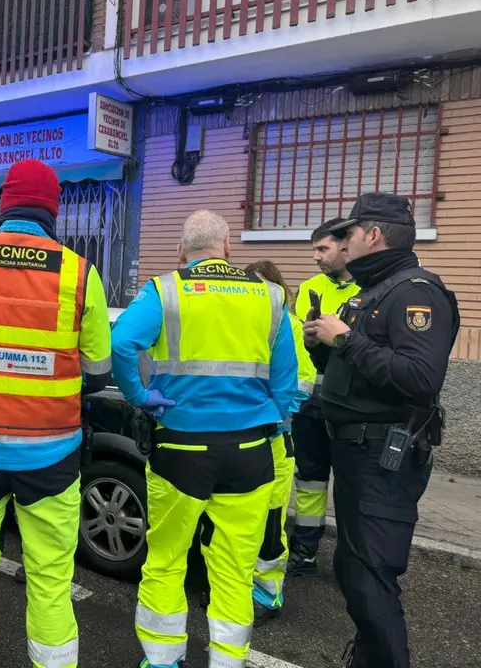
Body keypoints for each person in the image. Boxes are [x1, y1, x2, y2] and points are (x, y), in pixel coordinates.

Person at [0, 159, 112, 668]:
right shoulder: (80, 272)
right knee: (51, 583)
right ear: (53, 211)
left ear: (5, 205)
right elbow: (97, 374)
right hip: (51, 456)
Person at [111, 210, 298, 668]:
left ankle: (161, 660)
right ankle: (227, 662)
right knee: (234, 570)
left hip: (181, 446)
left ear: (181, 250)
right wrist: (275, 421)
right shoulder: (271, 297)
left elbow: (120, 344)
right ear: (228, 247)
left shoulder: (166, 290)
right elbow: (286, 378)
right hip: (250, 450)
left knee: (167, 559)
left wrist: (141, 396)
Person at [303, 192, 459, 668]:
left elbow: (419, 377)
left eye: (347, 233)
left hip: (383, 456)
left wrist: (345, 340)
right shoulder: (373, 291)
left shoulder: (415, 291)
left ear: (371, 234)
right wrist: (322, 345)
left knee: (370, 575)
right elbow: (355, 373)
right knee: (355, 569)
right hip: (357, 450)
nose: (341, 242)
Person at [286, 219, 360, 578]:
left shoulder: (370, 289)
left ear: (346, 248)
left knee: (352, 486)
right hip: (310, 402)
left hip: (350, 406)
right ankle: (304, 551)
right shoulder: (309, 287)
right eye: (314, 249)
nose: (315, 257)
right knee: (310, 480)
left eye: (322, 249)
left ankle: (353, 562)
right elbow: (301, 344)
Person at [244, 261, 316, 625]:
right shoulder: (248, 323)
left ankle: (267, 593)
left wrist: (277, 417)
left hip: (273, 441)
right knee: (241, 524)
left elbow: (304, 381)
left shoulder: (289, 323)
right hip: (246, 440)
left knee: (270, 527)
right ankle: (240, 588)